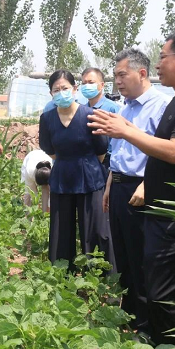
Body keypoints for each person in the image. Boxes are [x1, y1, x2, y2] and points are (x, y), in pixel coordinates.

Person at [88, 29, 175, 349]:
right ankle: (152, 339)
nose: (159, 64)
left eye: (163, 57)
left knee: (162, 296)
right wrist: (128, 129)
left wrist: (126, 132)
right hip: (163, 213)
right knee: (153, 288)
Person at [104, 48, 170, 337]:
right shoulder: (124, 107)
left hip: (141, 188)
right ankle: (129, 316)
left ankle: (145, 325)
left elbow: (163, 152)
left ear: (142, 73)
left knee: (142, 257)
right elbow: (117, 152)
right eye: (115, 75)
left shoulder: (161, 105)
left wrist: (146, 184)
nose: (117, 81)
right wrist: (109, 186)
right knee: (124, 256)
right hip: (119, 186)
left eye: (122, 74)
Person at [39, 69, 116, 272]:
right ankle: (62, 273)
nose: (61, 92)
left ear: (74, 89)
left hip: (89, 177)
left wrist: (83, 163)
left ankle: (99, 275)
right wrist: (68, 161)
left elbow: (101, 150)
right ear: (51, 93)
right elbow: (49, 149)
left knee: (95, 230)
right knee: (60, 230)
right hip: (62, 177)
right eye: (56, 89)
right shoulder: (47, 118)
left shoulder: (91, 115)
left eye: (65, 88)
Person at [80, 68, 120, 169]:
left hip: (107, 162)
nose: (86, 86)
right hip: (86, 161)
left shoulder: (112, 108)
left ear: (102, 85)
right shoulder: (82, 110)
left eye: (91, 82)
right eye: (84, 83)